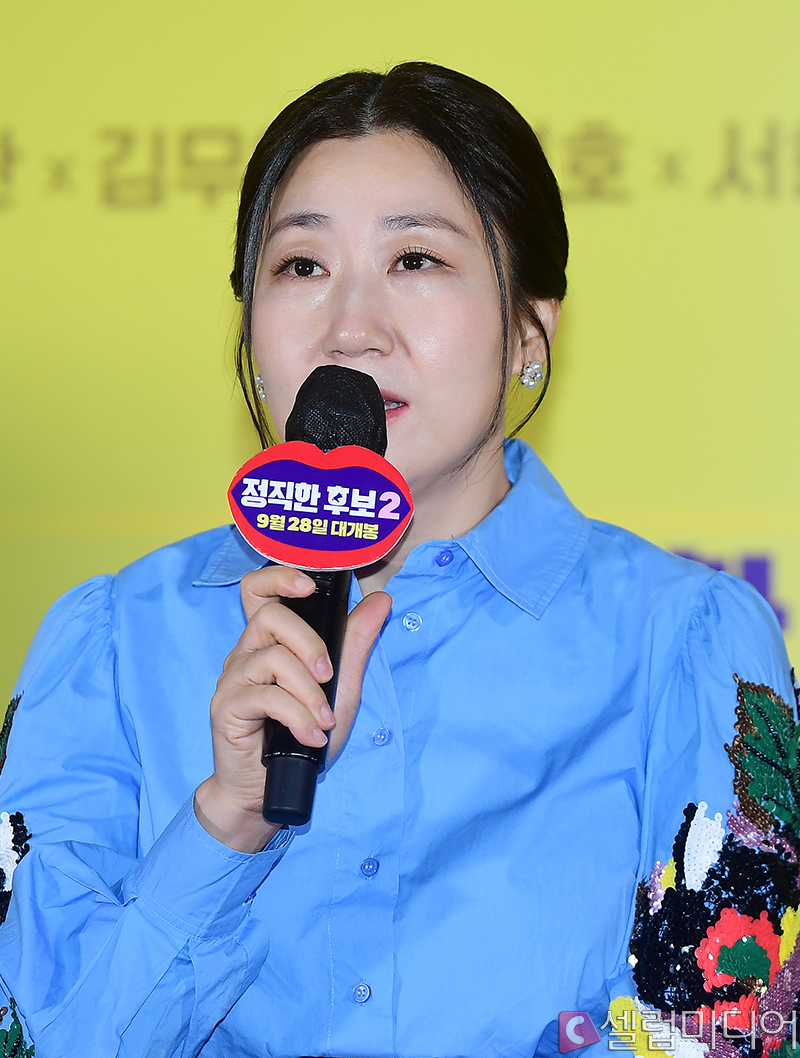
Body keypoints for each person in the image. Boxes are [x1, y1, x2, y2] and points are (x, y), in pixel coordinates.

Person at [0, 62, 797, 1058]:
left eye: (414, 259)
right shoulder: (112, 643)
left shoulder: (684, 643)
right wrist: (225, 822)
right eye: (301, 266)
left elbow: (727, 1032)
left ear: (529, 326)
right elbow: (37, 1035)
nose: (350, 328)